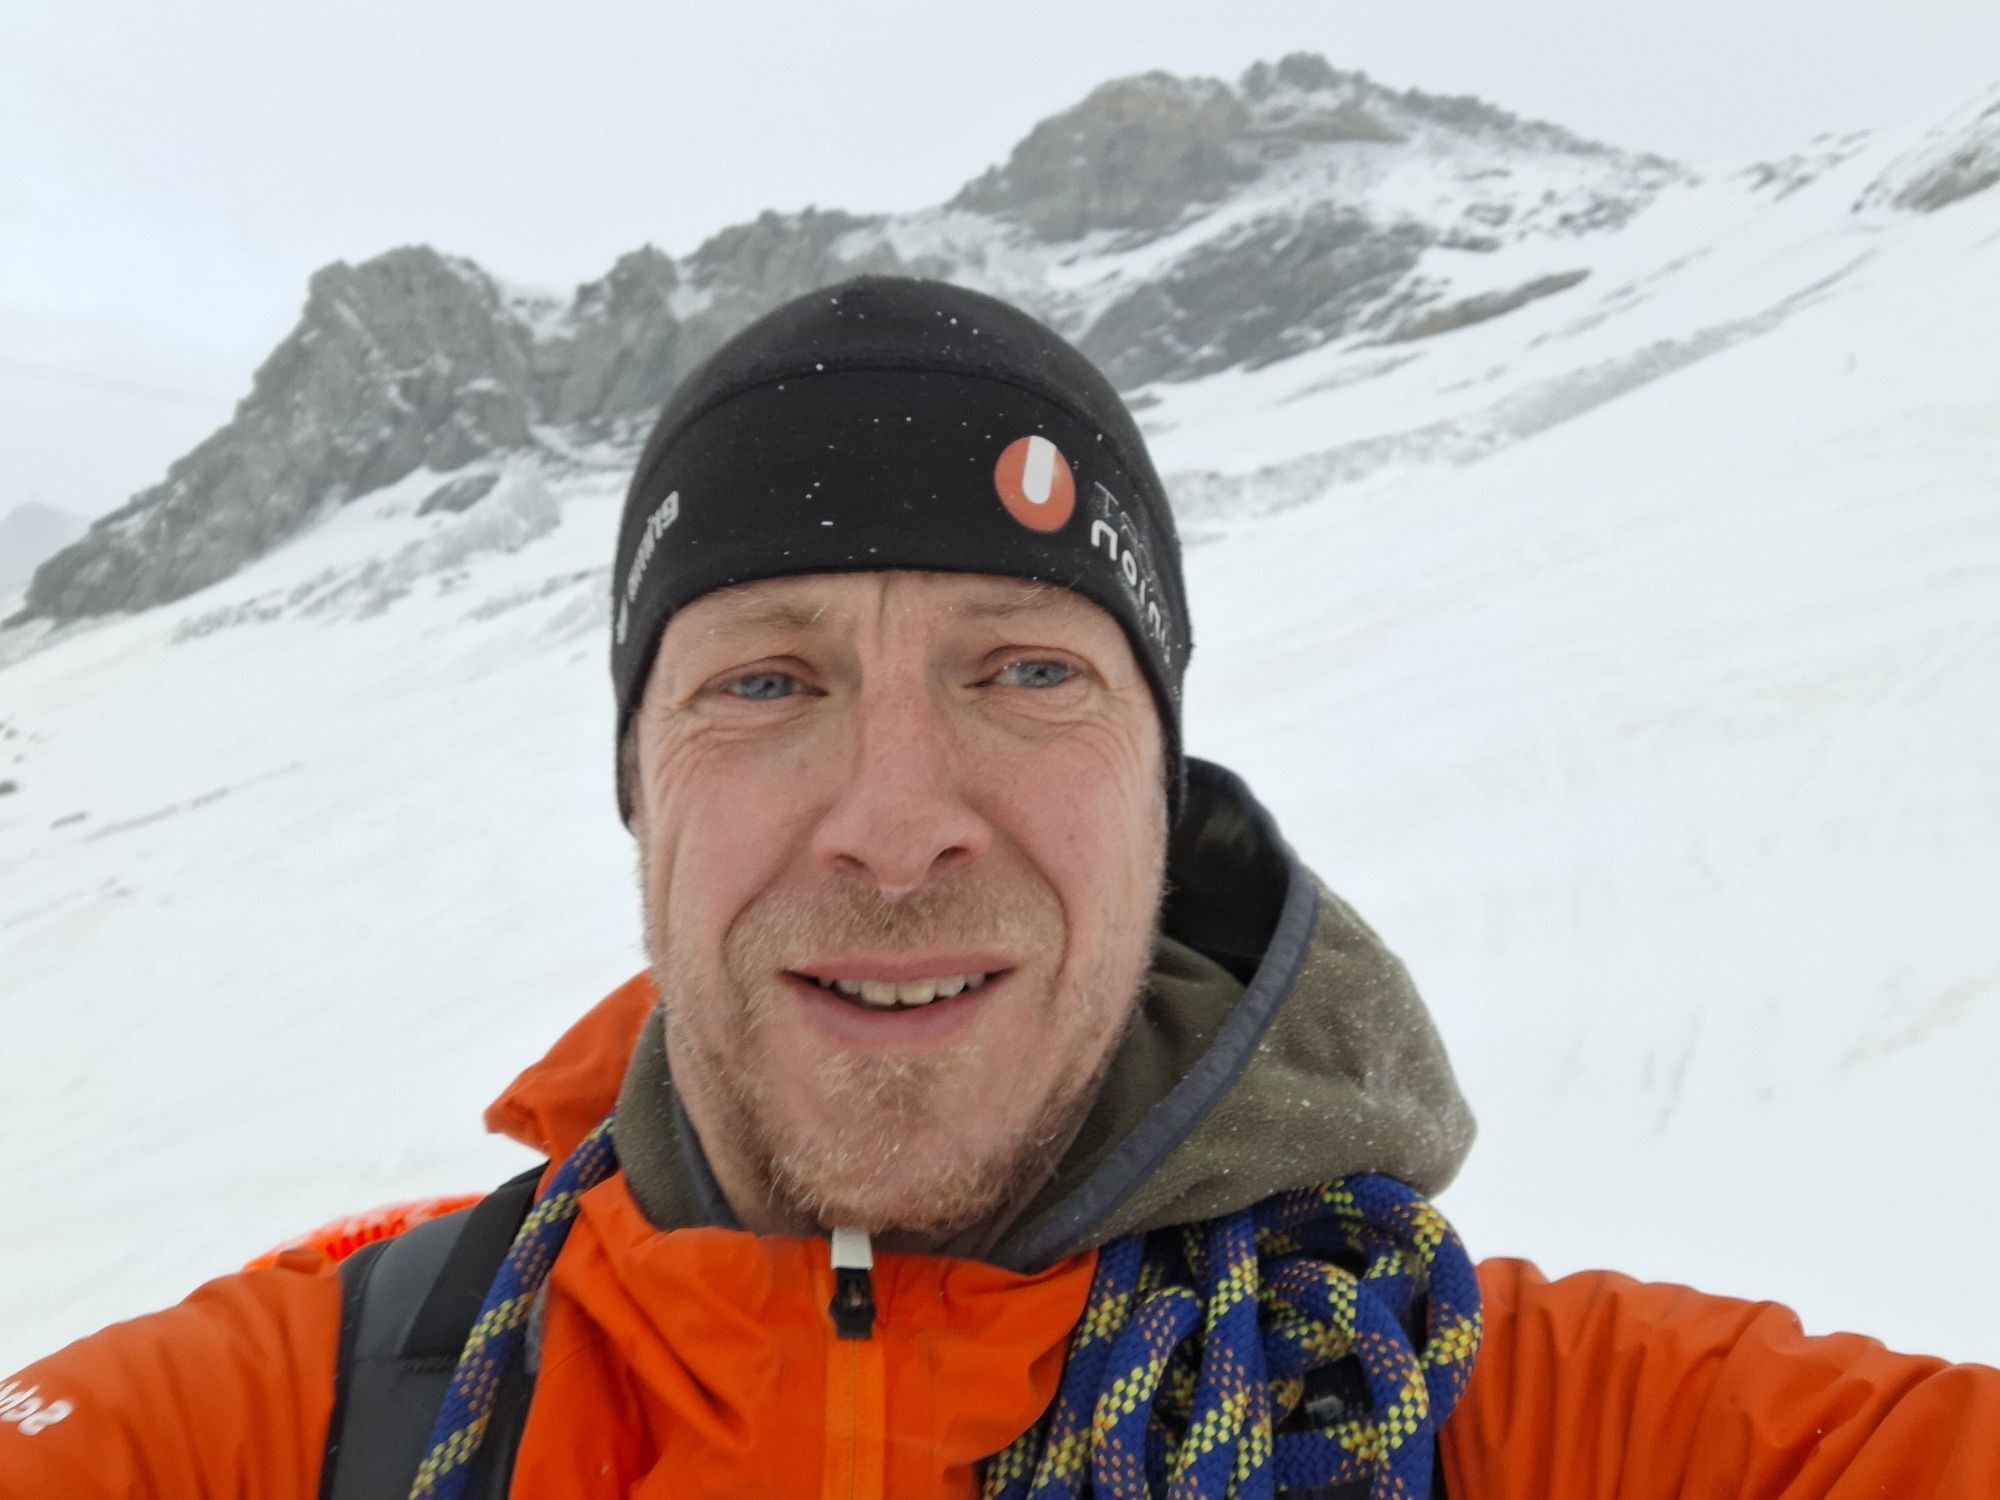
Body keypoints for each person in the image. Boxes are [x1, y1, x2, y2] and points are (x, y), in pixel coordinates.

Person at [3, 277, 1994, 1499]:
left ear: (1161, 790)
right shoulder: (320, 1417)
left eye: (1027, 674)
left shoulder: (1477, 1412)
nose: (894, 826)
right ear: (638, 794)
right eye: (766, 683)